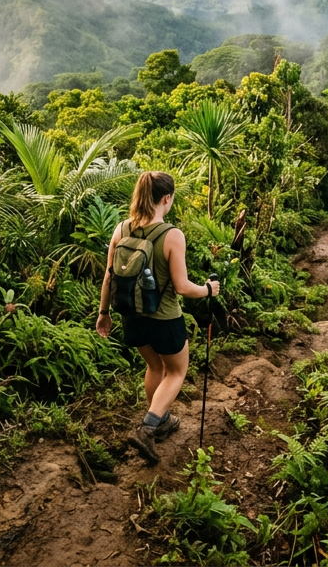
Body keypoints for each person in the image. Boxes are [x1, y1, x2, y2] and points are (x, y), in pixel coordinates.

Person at [96, 171, 220, 464]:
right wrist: (208, 289)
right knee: (176, 372)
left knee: (154, 366)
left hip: (131, 317)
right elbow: (182, 287)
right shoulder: (171, 235)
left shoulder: (121, 229)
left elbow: (108, 277)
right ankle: (149, 426)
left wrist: (103, 313)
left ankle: (161, 420)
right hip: (164, 318)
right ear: (167, 198)